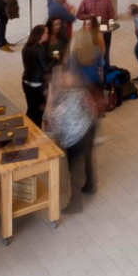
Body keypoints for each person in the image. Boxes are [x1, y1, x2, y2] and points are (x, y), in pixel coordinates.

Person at [44, 67, 98, 203]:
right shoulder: (79, 91)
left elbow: (55, 122)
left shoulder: (61, 98)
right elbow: (91, 108)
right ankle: (90, 186)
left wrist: (48, 137)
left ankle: (75, 203)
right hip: (87, 130)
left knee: (74, 169)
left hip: (74, 138)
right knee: (87, 160)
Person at [75, 0, 117, 71]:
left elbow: (112, 15)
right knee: (92, 51)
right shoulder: (85, 1)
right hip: (91, 30)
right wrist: (89, 17)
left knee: (105, 51)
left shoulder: (107, 0)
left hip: (104, 28)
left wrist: (110, 24)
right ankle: (93, 69)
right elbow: (78, 15)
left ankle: (106, 70)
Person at [21, 24, 49, 126]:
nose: (48, 35)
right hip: (37, 85)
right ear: (40, 35)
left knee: (31, 109)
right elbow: (45, 69)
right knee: (38, 113)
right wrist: (55, 60)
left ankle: (27, 128)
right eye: (46, 33)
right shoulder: (39, 50)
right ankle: (36, 132)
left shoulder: (26, 47)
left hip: (26, 82)